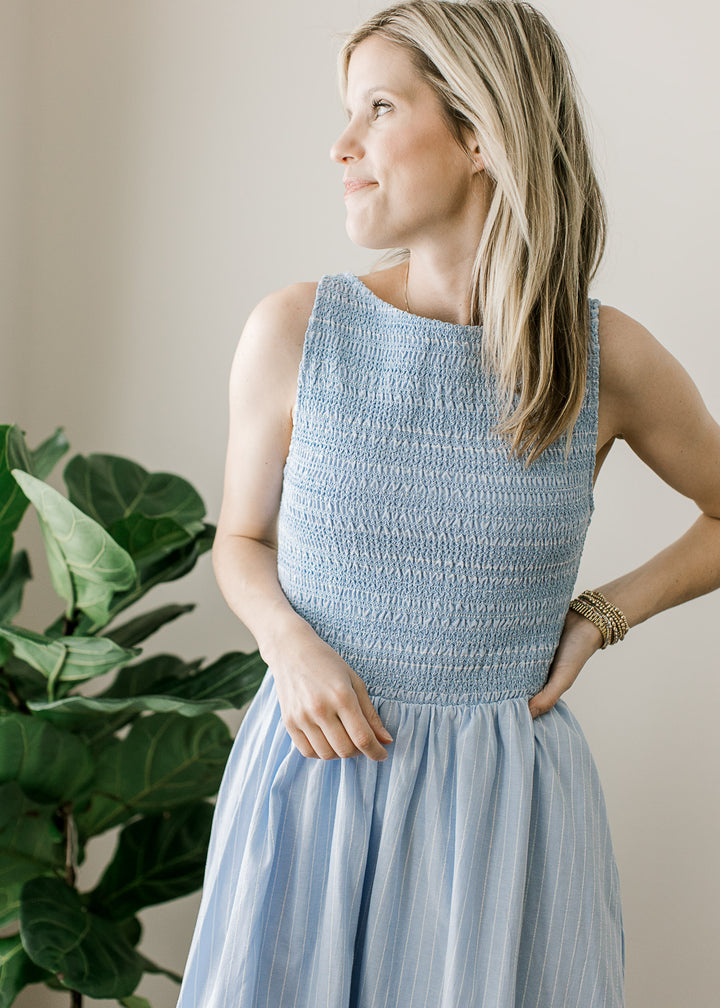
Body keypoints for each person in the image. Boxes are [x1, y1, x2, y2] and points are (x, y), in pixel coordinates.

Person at [176, 2, 720, 1006]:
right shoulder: (298, 330)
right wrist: (288, 646)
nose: (341, 146)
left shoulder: (608, 361)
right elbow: (239, 538)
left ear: (482, 133)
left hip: (501, 818)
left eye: (377, 109)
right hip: (313, 791)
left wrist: (603, 617)